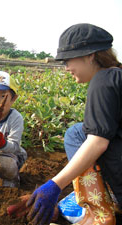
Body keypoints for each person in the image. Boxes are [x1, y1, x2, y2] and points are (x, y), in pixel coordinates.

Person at [8, 23, 122, 225]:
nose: (66, 68)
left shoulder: (103, 79)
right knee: (79, 130)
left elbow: (98, 142)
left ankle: (99, 214)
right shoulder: (118, 76)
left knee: (76, 134)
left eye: (68, 60)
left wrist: (55, 185)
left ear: (90, 56)